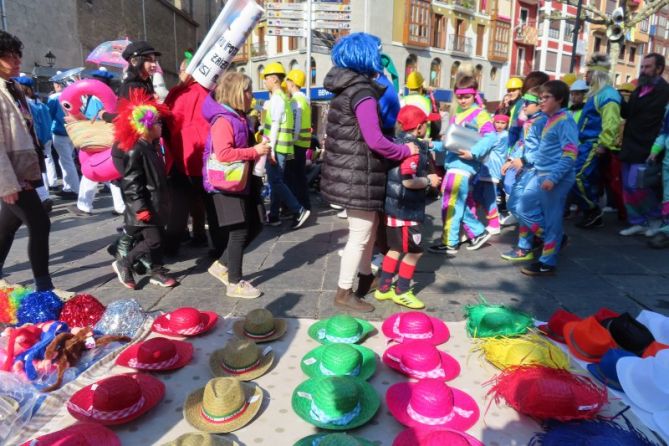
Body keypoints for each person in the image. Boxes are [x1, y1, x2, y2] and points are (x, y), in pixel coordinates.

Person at [321, 32, 419, 313]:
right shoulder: (362, 93)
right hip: (359, 174)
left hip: (354, 173)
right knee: (361, 234)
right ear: (365, 55)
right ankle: (344, 291)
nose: (379, 55)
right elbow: (375, 140)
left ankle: (366, 278)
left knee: (368, 229)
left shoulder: (346, 88)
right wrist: (405, 151)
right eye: (376, 51)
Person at [0, 31, 62, 293]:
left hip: (25, 168)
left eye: (18, 55)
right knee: (39, 223)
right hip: (13, 174)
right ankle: (44, 288)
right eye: (8, 56)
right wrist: (6, 185)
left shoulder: (14, 88)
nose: (16, 61)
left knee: (8, 224)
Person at [202, 72, 270, 299]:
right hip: (227, 185)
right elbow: (223, 153)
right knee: (239, 231)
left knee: (258, 223)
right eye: (248, 90)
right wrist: (255, 151)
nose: (251, 95)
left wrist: (259, 149)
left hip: (243, 181)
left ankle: (221, 265)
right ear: (236, 93)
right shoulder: (223, 120)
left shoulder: (238, 116)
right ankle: (234, 282)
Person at [373, 105, 441, 310]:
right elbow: (409, 182)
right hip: (406, 210)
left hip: (394, 207)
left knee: (395, 249)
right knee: (415, 251)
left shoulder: (396, 143)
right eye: (426, 125)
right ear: (419, 127)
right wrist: (429, 180)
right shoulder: (414, 151)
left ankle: (384, 289)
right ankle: (402, 291)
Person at [110, 89, 177, 289]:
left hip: (155, 203)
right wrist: (140, 208)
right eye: (157, 123)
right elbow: (131, 183)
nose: (160, 125)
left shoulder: (150, 146)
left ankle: (156, 271)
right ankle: (124, 262)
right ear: (146, 126)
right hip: (145, 206)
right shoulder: (136, 150)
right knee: (154, 241)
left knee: (158, 239)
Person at [516, 81, 578, 276]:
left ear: (559, 99)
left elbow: (570, 154)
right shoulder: (548, 118)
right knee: (522, 207)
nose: (541, 101)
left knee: (552, 219)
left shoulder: (565, 121)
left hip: (554, 179)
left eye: (546, 98)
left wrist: (553, 178)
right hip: (540, 174)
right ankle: (555, 239)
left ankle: (547, 262)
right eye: (540, 98)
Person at [428, 75, 496, 256]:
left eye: (466, 96)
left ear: (474, 95)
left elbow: (491, 136)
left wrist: (473, 153)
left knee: (450, 204)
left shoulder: (480, 114)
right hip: (454, 165)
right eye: (460, 96)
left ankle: (450, 243)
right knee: (456, 203)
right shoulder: (457, 115)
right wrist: (431, 144)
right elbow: (451, 143)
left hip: (462, 168)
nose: (463, 100)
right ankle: (478, 232)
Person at [162, 56, 210, 257]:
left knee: (179, 203)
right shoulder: (209, 91)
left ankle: (176, 241)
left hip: (183, 156)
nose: (180, 73)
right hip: (205, 157)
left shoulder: (178, 93)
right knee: (200, 200)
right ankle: (200, 235)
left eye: (181, 69)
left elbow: (166, 120)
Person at [619, 53, 669, 237]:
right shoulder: (639, 89)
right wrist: (618, 101)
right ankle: (638, 221)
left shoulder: (664, 91)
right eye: (642, 66)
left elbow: (654, 121)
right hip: (629, 145)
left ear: (659, 69)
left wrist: (655, 150)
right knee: (627, 186)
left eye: (648, 67)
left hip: (646, 147)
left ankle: (654, 219)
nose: (643, 70)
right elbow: (629, 115)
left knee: (640, 185)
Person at [572, 54, 622, 229]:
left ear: (597, 74)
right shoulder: (596, 94)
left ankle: (593, 210)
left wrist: (603, 144)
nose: (585, 76)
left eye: (589, 73)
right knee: (581, 178)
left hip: (593, 144)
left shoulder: (608, 94)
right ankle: (590, 213)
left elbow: (611, 122)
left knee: (577, 176)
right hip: (584, 144)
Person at [500, 88, 549, 262]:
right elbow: (523, 142)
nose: (524, 105)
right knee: (515, 205)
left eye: (528, 103)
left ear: (540, 104)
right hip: (526, 170)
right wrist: (512, 158)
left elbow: (545, 149)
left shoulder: (543, 122)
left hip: (536, 172)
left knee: (521, 208)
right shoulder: (531, 121)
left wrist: (524, 159)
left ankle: (549, 237)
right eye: (525, 102)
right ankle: (525, 246)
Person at [70, 69, 125, 217]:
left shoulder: (95, 99)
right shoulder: (112, 96)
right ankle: (120, 206)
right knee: (114, 174)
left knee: (90, 172)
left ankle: (84, 206)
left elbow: (91, 119)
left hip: (97, 139)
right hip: (109, 138)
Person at [261, 62, 310, 229]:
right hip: (283, 148)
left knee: (276, 181)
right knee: (277, 181)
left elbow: (274, 125)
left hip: (277, 148)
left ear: (274, 79)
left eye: (266, 78)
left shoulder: (277, 99)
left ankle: (298, 210)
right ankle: (274, 215)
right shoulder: (283, 98)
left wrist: (271, 150)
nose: (264, 82)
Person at [15, 75, 52, 210]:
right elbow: (46, 123)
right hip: (41, 140)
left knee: (34, 172)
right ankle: (44, 197)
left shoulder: (26, 104)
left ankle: (42, 198)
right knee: (41, 169)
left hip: (33, 142)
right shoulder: (38, 103)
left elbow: (33, 125)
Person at [470, 114, 510, 235]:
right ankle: (470, 220)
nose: (499, 125)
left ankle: (494, 224)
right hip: (484, 169)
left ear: (507, 124)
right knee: (476, 195)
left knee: (489, 198)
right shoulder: (494, 135)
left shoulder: (503, 135)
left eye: (503, 123)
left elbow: (486, 144)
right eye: (497, 122)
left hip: (492, 170)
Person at [46, 78, 80, 199]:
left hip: (60, 132)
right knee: (66, 160)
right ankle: (68, 187)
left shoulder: (54, 97)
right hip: (71, 131)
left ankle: (75, 189)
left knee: (67, 161)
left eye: (54, 84)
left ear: (58, 85)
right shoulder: (72, 95)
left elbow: (48, 114)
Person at [284, 68, 312, 212]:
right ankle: (305, 204)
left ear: (292, 82)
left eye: (288, 81)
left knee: (294, 177)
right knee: (300, 176)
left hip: (296, 144)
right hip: (303, 143)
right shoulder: (305, 99)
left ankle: (300, 206)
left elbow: (296, 122)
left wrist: (291, 141)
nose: (286, 84)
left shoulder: (296, 100)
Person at [648, 104, 669, 249]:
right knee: (667, 197)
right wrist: (655, 151)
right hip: (668, 163)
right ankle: (666, 227)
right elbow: (664, 133)